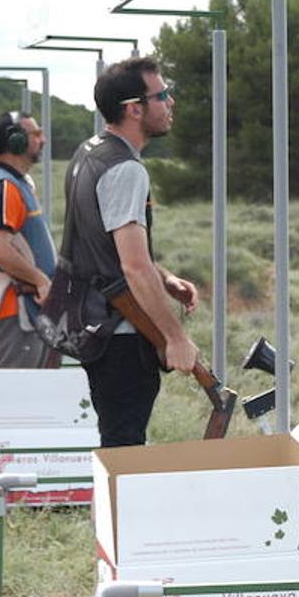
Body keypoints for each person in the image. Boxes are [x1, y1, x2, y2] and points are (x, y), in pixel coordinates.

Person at [62, 57, 199, 447]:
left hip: (92, 323)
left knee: (116, 444)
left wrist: (166, 278)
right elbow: (133, 266)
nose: (170, 103)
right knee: (124, 449)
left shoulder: (89, 151)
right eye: (163, 95)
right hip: (120, 333)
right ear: (133, 108)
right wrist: (174, 337)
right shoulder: (126, 169)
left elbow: (106, 247)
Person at [0, 111, 60, 368]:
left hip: (25, 307)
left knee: (28, 395)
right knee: (15, 398)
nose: (43, 140)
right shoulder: (4, 187)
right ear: (16, 141)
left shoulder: (14, 183)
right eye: (36, 134)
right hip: (14, 308)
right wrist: (41, 280)